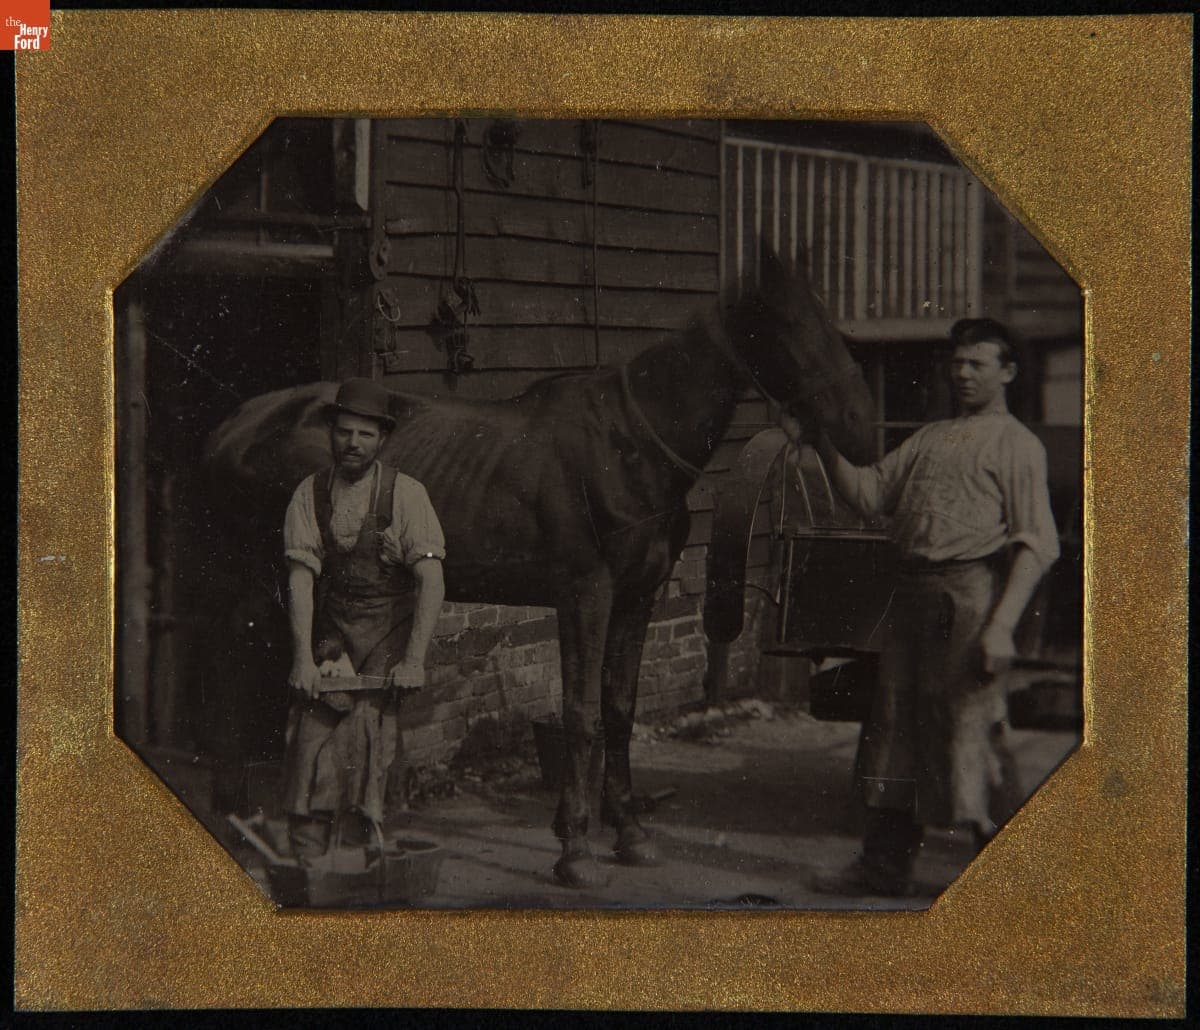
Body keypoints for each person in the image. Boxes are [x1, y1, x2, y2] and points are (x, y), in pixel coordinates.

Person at [802, 319, 1060, 897]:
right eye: (957, 364)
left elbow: (1038, 543)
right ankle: (883, 867)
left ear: (1008, 373)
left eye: (978, 364)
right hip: (912, 600)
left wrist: (1001, 627)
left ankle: (1012, 882)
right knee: (893, 730)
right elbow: (870, 495)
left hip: (968, 600)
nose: (962, 374)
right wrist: (821, 440)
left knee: (969, 733)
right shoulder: (931, 437)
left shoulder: (1017, 445)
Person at [280, 377, 446, 858]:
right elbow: (301, 579)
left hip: (388, 634)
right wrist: (304, 661)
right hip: (335, 631)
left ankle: (362, 835)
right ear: (331, 433)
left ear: (382, 440)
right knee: (312, 721)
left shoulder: (406, 495)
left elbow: (431, 581)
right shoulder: (308, 495)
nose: (354, 444)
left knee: (367, 727)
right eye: (345, 432)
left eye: (366, 435)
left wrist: (413, 660)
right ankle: (309, 832)